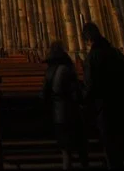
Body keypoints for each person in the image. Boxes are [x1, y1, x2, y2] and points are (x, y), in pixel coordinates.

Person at [82, 22, 124, 169]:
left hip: (104, 110)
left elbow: (89, 87)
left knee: (112, 149)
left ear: (88, 40)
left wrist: (85, 102)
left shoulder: (92, 58)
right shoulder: (116, 53)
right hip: (123, 107)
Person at [42, 41, 88, 170]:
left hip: (59, 113)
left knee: (66, 149)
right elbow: (77, 91)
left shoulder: (51, 70)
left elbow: (45, 92)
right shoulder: (68, 67)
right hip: (72, 112)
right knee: (79, 146)